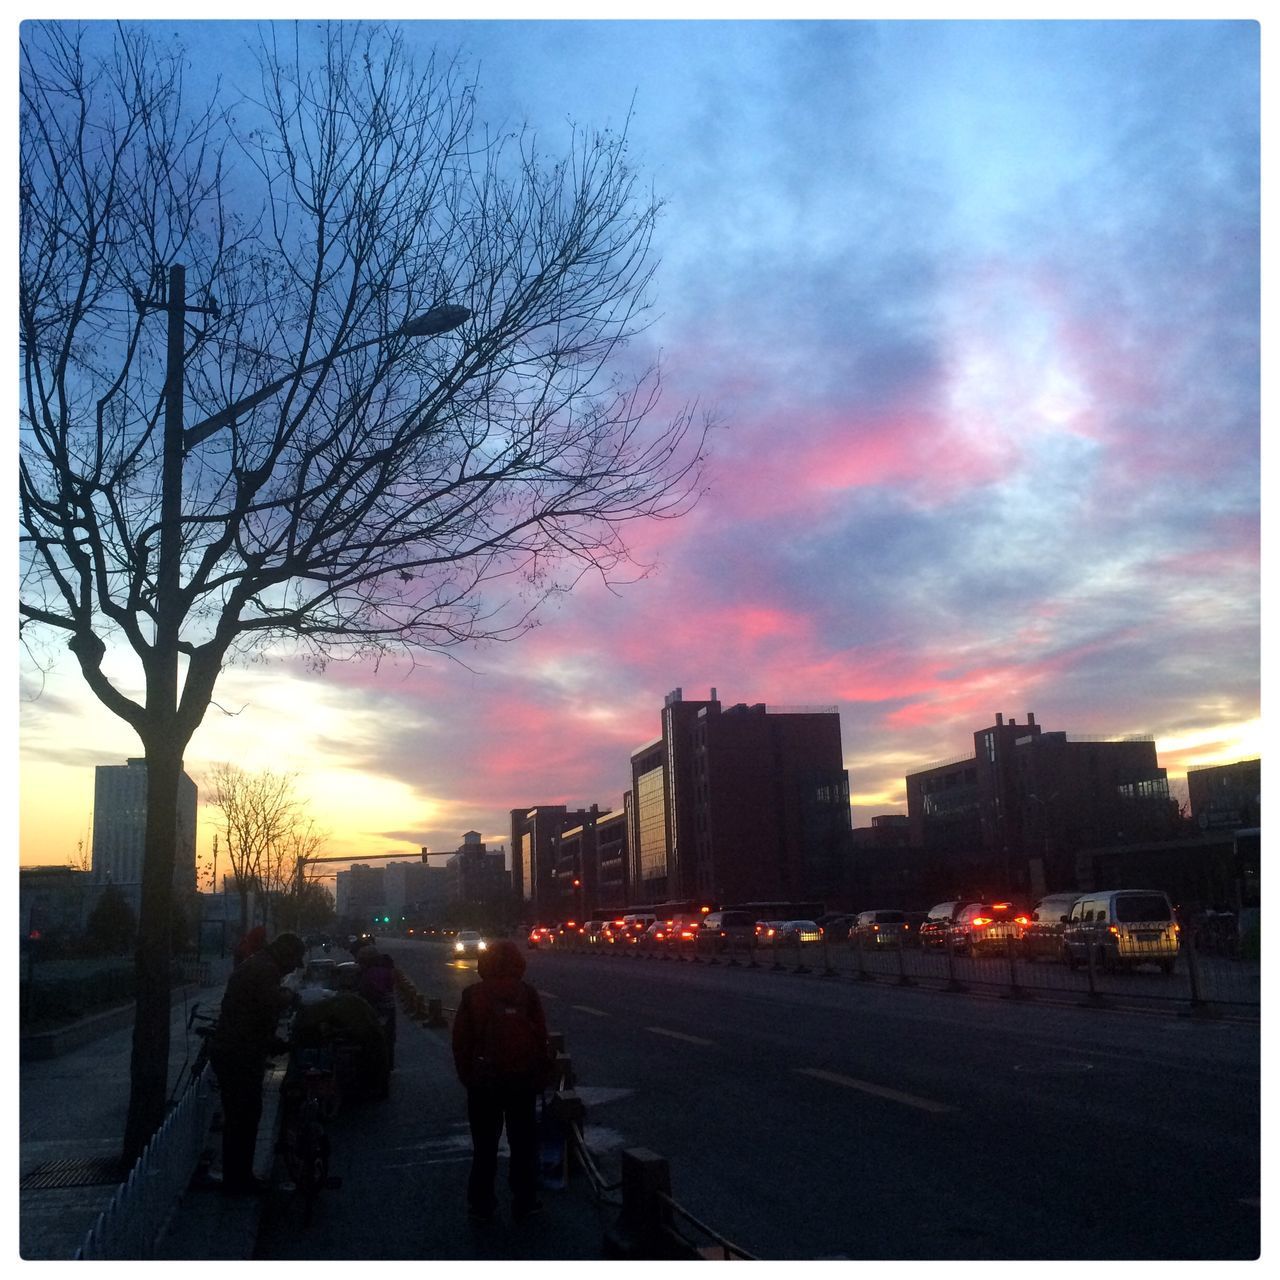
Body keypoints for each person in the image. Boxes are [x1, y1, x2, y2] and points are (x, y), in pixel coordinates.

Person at [451, 938, 552, 1222]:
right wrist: (540, 1075)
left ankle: (481, 1204)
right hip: (522, 1081)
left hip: (484, 1083)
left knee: (484, 1146)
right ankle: (525, 1201)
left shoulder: (473, 994)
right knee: (523, 1144)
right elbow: (541, 1037)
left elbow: (461, 1042)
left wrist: (469, 1078)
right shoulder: (527, 994)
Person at [209, 931, 306, 1193]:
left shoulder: (262, 965)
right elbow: (267, 1003)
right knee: (243, 1116)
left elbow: (253, 1014)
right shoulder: (264, 970)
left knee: (244, 1116)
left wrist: (271, 1040)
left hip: (238, 1048)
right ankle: (237, 1180)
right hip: (237, 1053)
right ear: (286, 954)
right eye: (293, 962)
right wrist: (292, 998)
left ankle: (239, 1175)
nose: (291, 969)